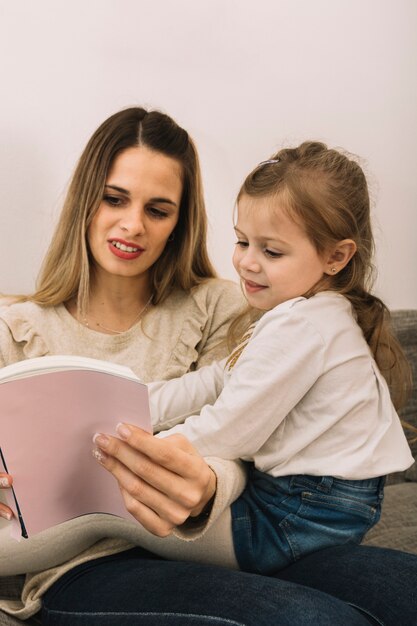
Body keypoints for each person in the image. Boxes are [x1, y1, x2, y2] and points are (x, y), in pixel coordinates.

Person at [0, 113, 415, 626]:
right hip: (84, 565)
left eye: (158, 209)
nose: (132, 225)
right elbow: (213, 392)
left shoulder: (234, 306)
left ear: (182, 219)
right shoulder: (13, 327)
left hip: (216, 526)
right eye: (114, 198)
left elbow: (236, 432)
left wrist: (203, 485)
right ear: (85, 198)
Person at [92, 141, 413, 575]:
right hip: (315, 503)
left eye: (272, 251)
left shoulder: (305, 326)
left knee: (105, 512)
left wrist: (129, 453)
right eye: (243, 241)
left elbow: (229, 429)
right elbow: (207, 384)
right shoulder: (302, 315)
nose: (246, 262)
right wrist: (123, 406)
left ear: (337, 256)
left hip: (300, 512)